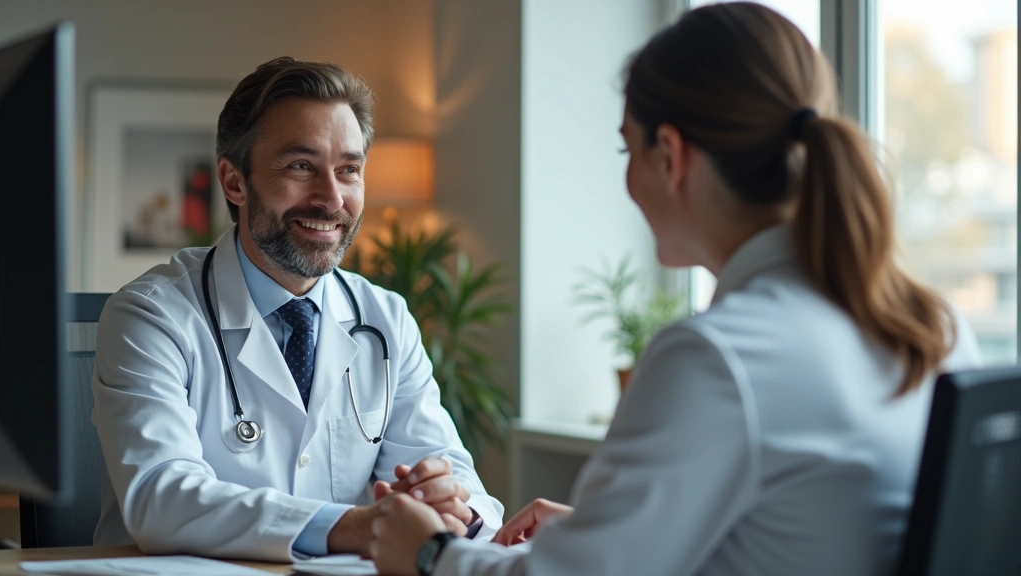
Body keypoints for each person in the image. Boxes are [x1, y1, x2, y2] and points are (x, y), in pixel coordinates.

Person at [367, 3, 982, 575]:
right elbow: (808, 535)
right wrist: (604, 532)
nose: (627, 179)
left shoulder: (717, 356)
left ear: (671, 155)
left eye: (625, 149)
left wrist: (430, 553)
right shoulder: (934, 328)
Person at [91, 57, 503, 562]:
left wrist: (448, 504)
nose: (331, 199)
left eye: (349, 169)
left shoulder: (385, 319)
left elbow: (458, 481)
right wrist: (353, 527)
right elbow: (161, 496)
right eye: (300, 166)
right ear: (234, 182)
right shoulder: (151, 316)